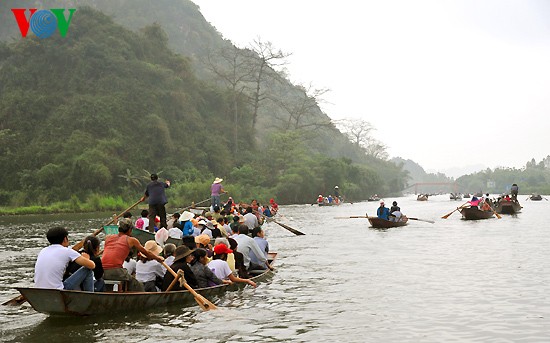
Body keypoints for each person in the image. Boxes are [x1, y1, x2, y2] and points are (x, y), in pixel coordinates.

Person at [102, 218, 164, 291]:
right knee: (138, 285)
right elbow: (146, 253)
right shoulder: (131, 240)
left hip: (102, 270)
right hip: (117, 271)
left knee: (110, 287)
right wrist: (158, 258)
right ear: (129, 230)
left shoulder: (108, 238)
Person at [34, 227, 95, 292]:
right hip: (58, 291)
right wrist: (86, 258)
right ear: (65, 239)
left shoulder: (43, 250)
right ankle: (90, 298)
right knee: (88, 270)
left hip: (39, 290)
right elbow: (92, 265)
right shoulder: (67, 251)